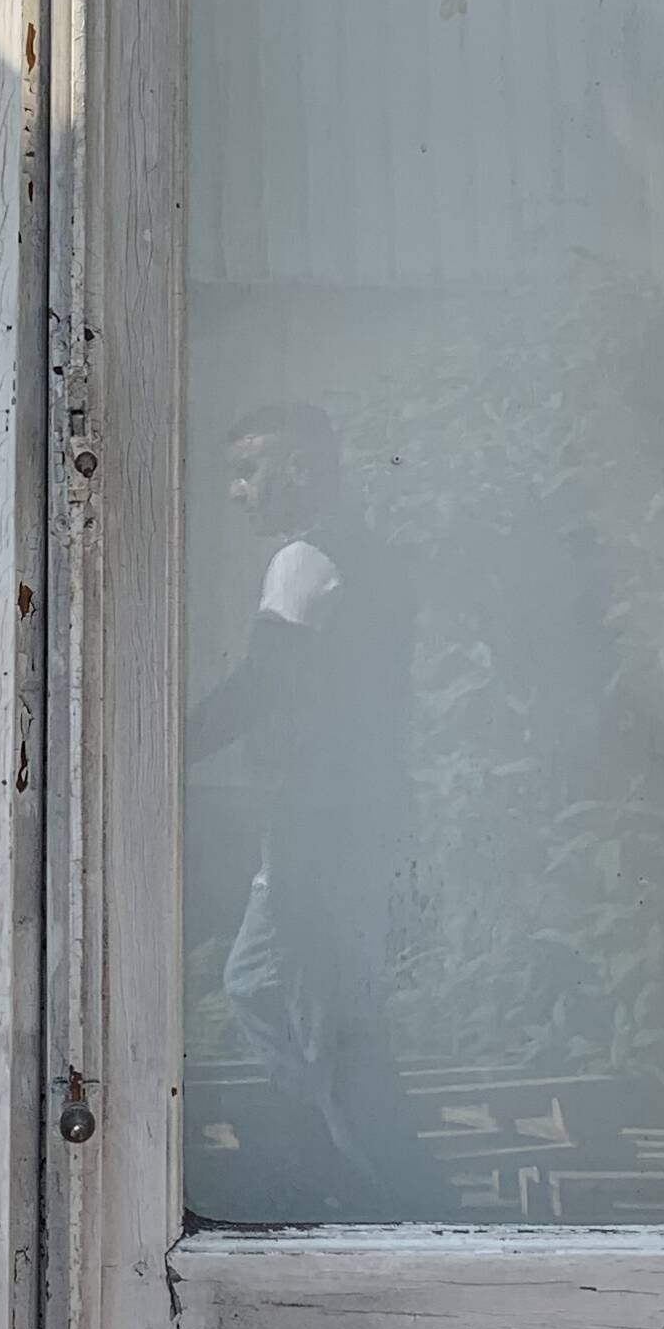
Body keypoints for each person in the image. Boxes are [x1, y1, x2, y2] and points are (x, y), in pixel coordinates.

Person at [185, 401, 416, 1214]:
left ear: (303, 469)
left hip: (320, 822)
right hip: (347, 816)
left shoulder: (306, 560)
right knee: (260, 983)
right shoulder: (366, 558)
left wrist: (160, 750)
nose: (236, 491)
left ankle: (377, 1185)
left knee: (311, 1003)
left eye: (249, 470)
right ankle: (347, 1155)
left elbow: (260, 687)